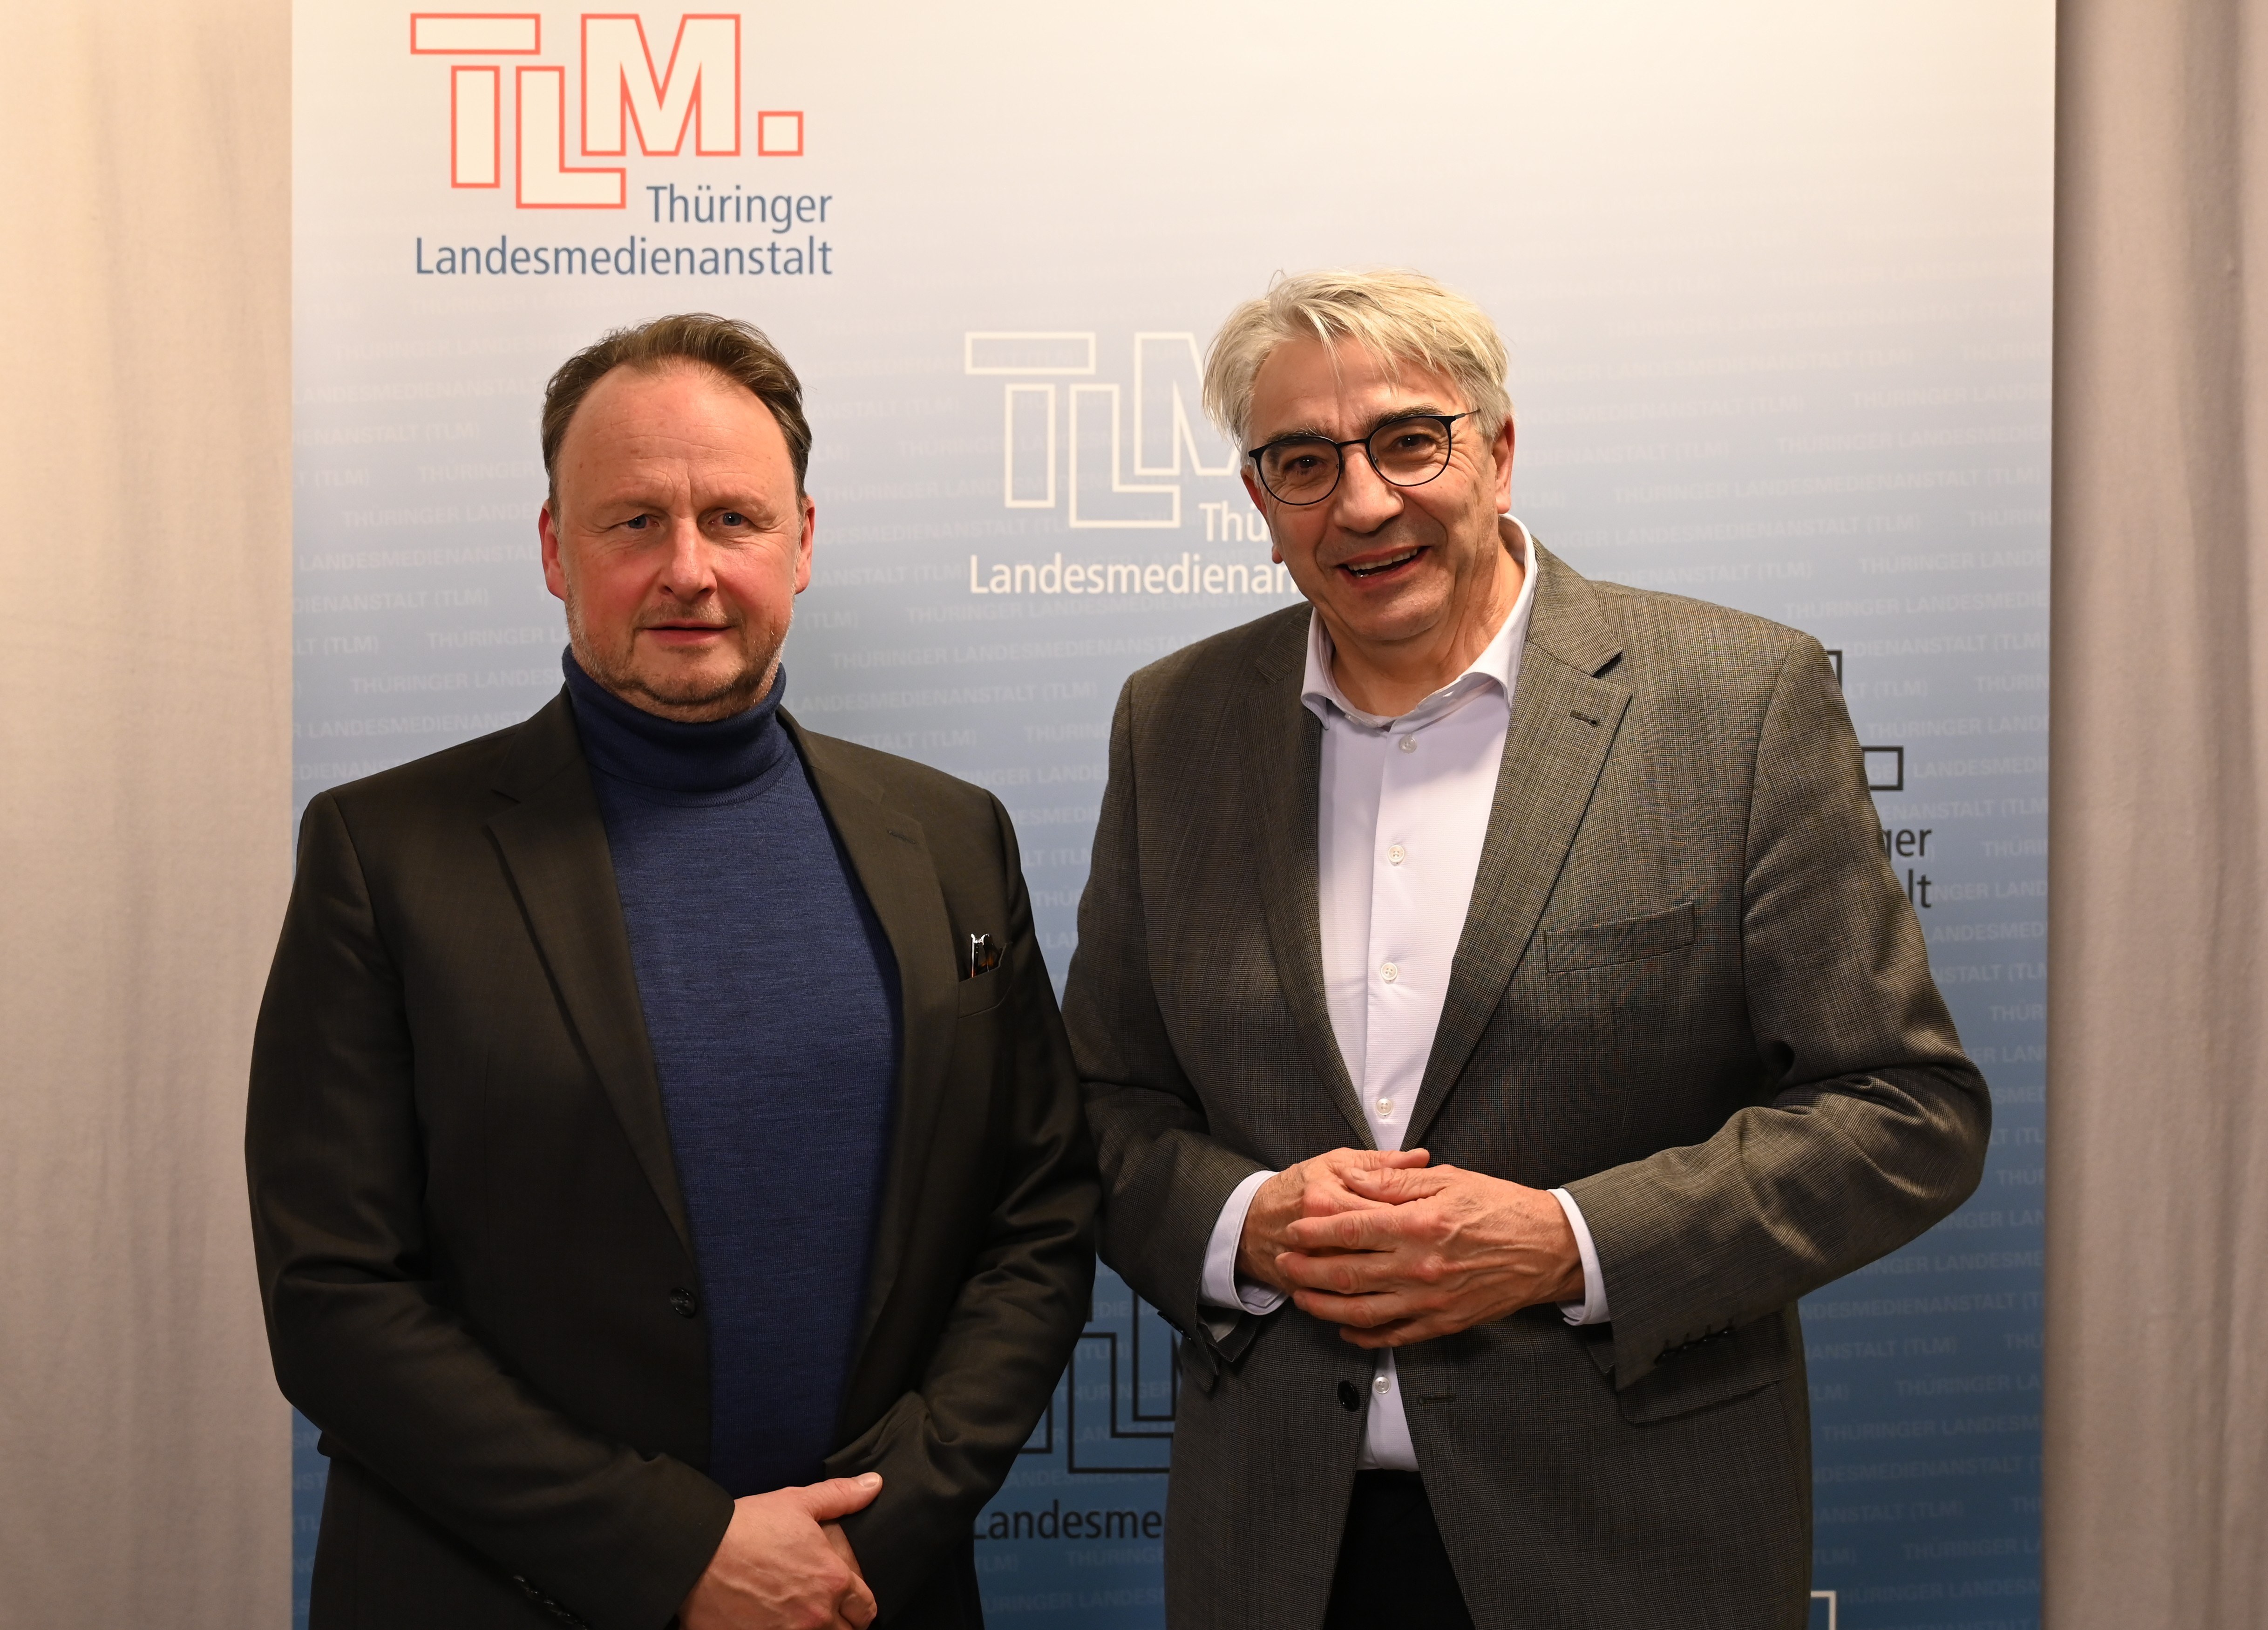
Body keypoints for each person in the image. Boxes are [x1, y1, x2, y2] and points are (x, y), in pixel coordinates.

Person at [1065, 269, 1990, 1629]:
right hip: (1275, 1549)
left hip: (1633, 1543)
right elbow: (1100, 1108)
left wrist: (1567, 1244)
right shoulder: (1175, 722)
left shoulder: (1737, 701)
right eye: (1304, 463)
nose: (1362, 502)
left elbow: (1907, 1111)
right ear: (1261, 503)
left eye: (1410, 441)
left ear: (1499, 453)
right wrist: (1240, 1221)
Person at [247, 313, 1096, 1630]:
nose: (688, 570)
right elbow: (335, 1297)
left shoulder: (952, 839)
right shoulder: (383, 853)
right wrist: (676, 1552)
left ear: (801, 542)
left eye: (733, 520)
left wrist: (877, 1528)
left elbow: (1037, 1218)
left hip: (867, 1594)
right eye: (635, 522)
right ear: (555, 549)